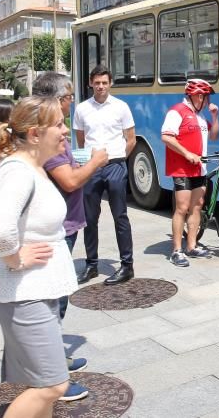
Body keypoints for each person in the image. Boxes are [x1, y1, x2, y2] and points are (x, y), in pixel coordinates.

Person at [0, 96, 81, 412]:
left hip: (35, 291)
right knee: (54, 385)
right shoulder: (20, 173)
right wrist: (15, 258)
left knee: (42, 385)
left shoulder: (31, 168)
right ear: (36, 134)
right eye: (59, 125)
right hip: (24, 295)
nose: (65, 131)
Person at [32, 73, 108, 317]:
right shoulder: (48, 138)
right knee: (55, 297)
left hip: (65, 224)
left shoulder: (53, 136)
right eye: (69, 97)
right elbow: (70, 182)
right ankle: (52, 352)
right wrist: (95, 162)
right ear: (57, 100)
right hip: (58, 229)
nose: (66, 130)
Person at [73, 65, 136, 285]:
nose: (101, 86)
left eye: (104, 83)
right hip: (91, 167)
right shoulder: (81, 108)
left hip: (116, 165)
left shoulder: (121, 107)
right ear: (91, 83)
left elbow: (131, 139)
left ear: (110, 83)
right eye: (97, 83)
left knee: (120, 215)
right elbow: (81, 140)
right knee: (89, 218)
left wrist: (119, 160)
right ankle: (91, 265)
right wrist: (89, 163)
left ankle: (127, 265)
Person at [161, 78, 219, 267]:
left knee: (197, 206)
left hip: (199, 168)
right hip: (182, 168)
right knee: (182, 208)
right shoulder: (177, 111)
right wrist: (186, 153)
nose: (208, 101)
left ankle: (191, 246)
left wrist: (215, 117)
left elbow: (214, 135)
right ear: (198, 96)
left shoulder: (201, 116)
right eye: (206, 97)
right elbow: (166, 136)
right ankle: (176, 250)